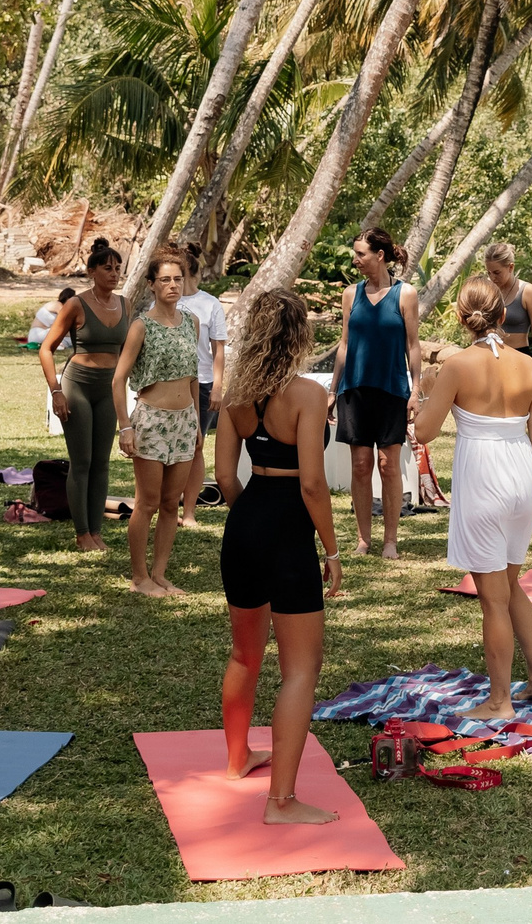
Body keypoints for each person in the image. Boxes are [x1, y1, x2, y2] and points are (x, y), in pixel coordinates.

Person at [213, 288, 341, 825]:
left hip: (245, 524)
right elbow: (313, 483)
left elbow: (223, 478)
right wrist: (332, 550)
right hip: (289, 527)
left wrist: (252, 519)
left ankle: (238, 759)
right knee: (300, 670)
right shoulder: (309, 394)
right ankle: (281, 802)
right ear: (299, 336)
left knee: (245, 654)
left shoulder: (235, 396)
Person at [415, 277, 532, 718]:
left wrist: (425, 392)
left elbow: (423, 431)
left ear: (461, 317)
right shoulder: (528, 365)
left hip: (484, 478)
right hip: (521, 475)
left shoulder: (457, 365)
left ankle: (499, 701)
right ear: (503, 314)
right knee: (510, 587)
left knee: (492, 598)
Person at [113, 249, 202, 595]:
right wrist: (125, 427)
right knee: (147, 502)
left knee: (171, 503)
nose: (172, 285)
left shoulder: (191, 322)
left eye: (177, 279)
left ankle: (160, 573)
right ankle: (139, 577)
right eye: (164, 279)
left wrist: (196, 422)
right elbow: (118, 379)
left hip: (184, 422)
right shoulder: (141, 326)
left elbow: (193, 376)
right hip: (151, 420)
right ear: (151, 285)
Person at [37, 238, 128, 550]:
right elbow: (45, 349)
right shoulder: (76, 304)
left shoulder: (125, 304)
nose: (114, 273)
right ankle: (82, 534)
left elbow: (130, 352)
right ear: (92, 271)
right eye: (107, 268)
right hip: (78, 385)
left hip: (110, 389)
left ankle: (96, 531)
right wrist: (56, 391)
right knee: (82, 461)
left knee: (102, 462)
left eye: (118, 268)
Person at [334, 228, 418, 558]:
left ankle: (391, 541)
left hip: (392, 389)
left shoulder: (405, 294)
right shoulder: (350, 295)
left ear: (379, 255)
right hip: (354, 390)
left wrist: (416, 389)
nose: (356, 260)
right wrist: (332, 389)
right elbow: (344, 344)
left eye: (361, 254)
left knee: (388, 465)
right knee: (360, 465)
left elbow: (413, 345)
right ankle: (364, 540)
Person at [178, 274, 229, 522]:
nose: (175, 282)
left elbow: (218, 349)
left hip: (203, 381)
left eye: (180, 275)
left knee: (196, 445)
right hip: (171, 382)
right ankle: (163, 505)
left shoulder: (210, 303)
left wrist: (218, 386)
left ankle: (189, 512)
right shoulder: (161, 301)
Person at [482, 241, 532, 365]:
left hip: (519, 358)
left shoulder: (528, 291)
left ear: (510, 267)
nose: (492, 278)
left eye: (497, 272)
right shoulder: (488, 291)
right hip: (492, 358)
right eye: (489, 273)